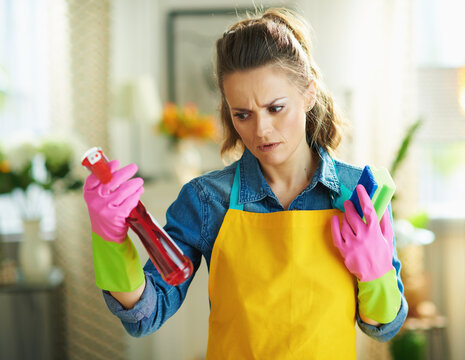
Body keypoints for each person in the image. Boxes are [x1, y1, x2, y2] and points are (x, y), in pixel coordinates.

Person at [83, 7, 408, 359]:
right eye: (243, 114)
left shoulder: (357, 193)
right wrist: (110, 240)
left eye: (276, 108)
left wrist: (375, 272)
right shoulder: (207, 200)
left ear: (309, 93)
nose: (261, 130)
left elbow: (384, 326)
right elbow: (147, 313)